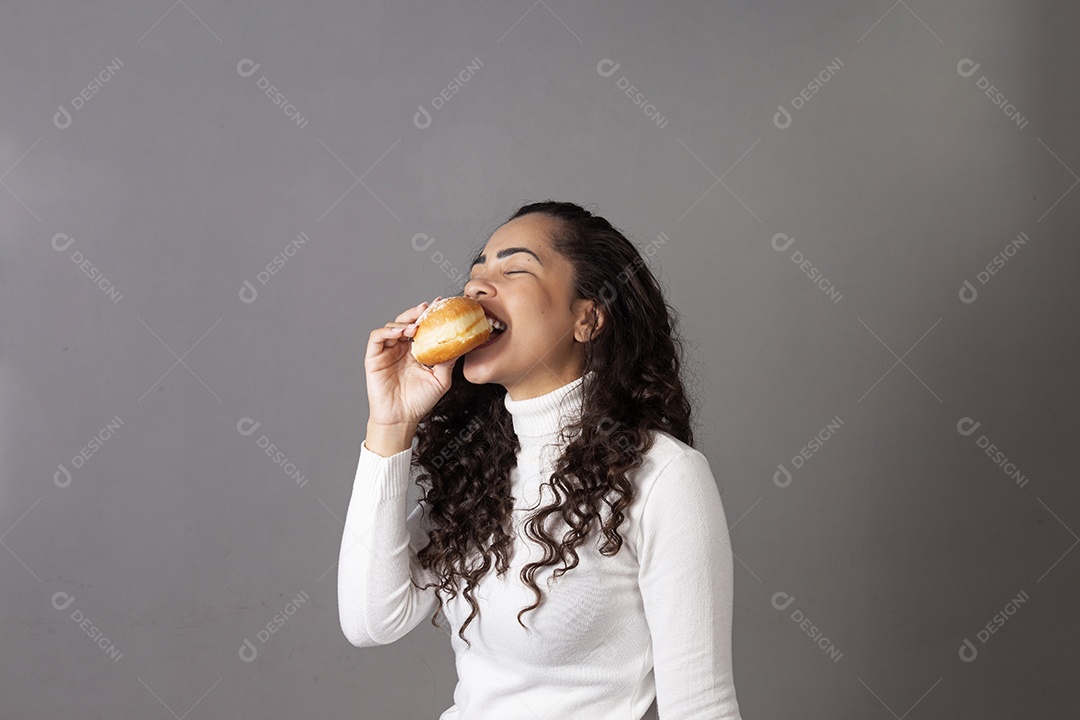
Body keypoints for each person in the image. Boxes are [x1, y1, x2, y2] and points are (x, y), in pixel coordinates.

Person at [338, 200, 743, 719]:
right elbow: (371, 621)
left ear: (588, 318)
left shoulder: (664, 476)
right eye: (476, 271)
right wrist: (391, 427)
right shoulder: (476, 471)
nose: (478, 286)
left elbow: (702, 707)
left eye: (514, 268)